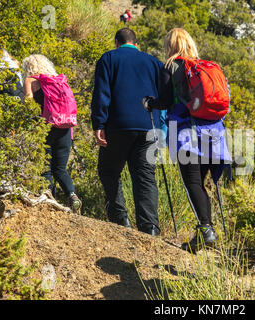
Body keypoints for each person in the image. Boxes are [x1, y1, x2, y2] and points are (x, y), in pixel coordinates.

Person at [143, 28, 232, 253]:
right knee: (202, 184)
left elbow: (165, 101)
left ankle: (206, 229)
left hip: (186, 133)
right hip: (213, 132)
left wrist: (149, 103)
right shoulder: (206, 67)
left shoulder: (170, 67)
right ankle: (203, 234)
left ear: (170, 46)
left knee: (192, 183)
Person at [91, 28, 163, 236]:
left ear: (116, 43)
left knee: (109, 170)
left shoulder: (108, 59)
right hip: (149, 126)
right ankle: (149, 228)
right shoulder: (153, 63)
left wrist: (99, 124)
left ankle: (119, 220)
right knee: (145, 176)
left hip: (118, 126)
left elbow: (102, 94)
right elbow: (163, 96)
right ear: (136, 43)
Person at [22, 54, 82, 213]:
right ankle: (73, 196)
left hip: (45, 128)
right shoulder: (60, 81)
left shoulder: (31, 81)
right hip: (65, 128)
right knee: (60, 169)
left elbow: (28, 104)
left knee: (46, 168)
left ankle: (49, 203)